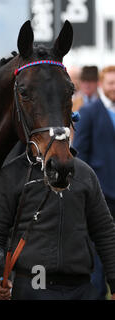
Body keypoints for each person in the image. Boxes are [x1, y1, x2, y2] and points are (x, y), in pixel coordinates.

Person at [0, 144, 115, 300]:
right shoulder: (12, 175)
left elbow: (104, 230)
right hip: (33, 284)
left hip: (81, 286)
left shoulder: (85, 173)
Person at [72, 65, 115, 299]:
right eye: (110, 83)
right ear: (102, 84)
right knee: (100, 253)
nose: (114, 87)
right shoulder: (89, 112)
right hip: (102, 196)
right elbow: (81, 155)